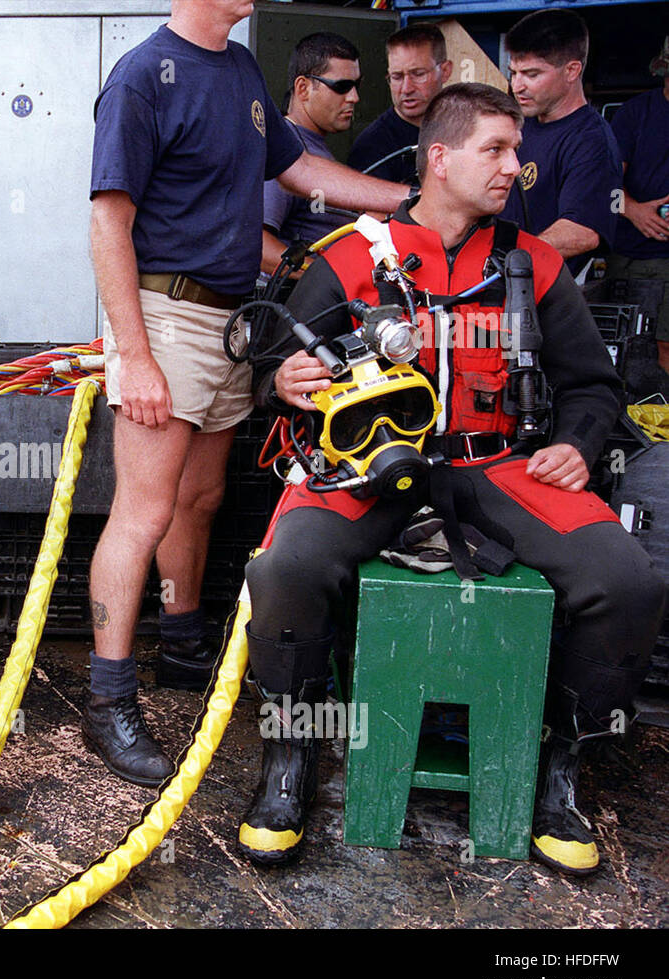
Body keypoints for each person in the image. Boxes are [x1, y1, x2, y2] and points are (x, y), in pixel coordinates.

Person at [243, 83, 667, 876]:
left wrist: (576, 444)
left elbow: (593, 386)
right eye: (497, 151)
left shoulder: (533, 265)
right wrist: (288, 378)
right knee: (287, 569)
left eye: (518, 150)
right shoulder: (346, 259)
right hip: (368, 462)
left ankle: (558, 772)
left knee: (631, 583)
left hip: (498, 464)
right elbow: (273, 363)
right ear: (440, 158)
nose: (516, 166)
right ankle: (289, 757)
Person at [85, 0, 408, 787]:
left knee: (198, 499)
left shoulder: (237, 67)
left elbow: (296, 169)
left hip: (233, 322)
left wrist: (410, 206)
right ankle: (106, 699)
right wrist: (137, 356)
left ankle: (184, 643)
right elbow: (106, 224)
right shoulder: (140, 78)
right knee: (144, 508)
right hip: (166, 317)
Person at [501, 8, 621, 279]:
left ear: (571, 70)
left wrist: (506, 260)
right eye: (514, 72)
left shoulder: (591, 141)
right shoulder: (521, 125)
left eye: (531, 74)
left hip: (546, 300)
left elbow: (582, 232)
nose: (517, 85)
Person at [262, 32, 363, 278]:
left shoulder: (312, 147)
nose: (354, 97)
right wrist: (329, 281)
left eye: (356, 86)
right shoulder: (286, 149)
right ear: (303, 88)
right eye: (341, 87)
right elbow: (258, 246)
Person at [607, 37, 669, 384]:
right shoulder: (635, 114)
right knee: (633, 347)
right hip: (632, 259)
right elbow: (603, 190)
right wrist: (633, 210)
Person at [347, 24, 452, 186]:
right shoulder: (372, 148)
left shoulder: (464, 129)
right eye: (397, 77)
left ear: (445, 71)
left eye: (418, 74)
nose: (406, 88)